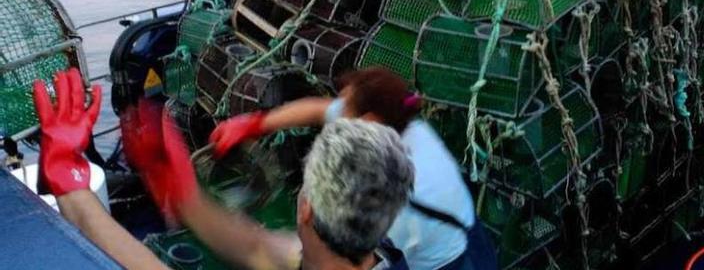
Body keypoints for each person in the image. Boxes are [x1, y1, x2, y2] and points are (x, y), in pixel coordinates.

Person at [32, 68, 415, 270]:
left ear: (307, 208)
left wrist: (70, 180)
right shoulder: (369, 253)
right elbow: (255, 246)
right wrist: (184, 195)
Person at [210, 66, 498, 270]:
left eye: (346, 108)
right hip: (463, 227)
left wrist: (250, 237)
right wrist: (254, 124)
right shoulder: (398, 124)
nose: (339, 111)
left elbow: (333, 255)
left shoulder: (395, 188)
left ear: (368, 120)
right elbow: (319, 109)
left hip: (448, 261)